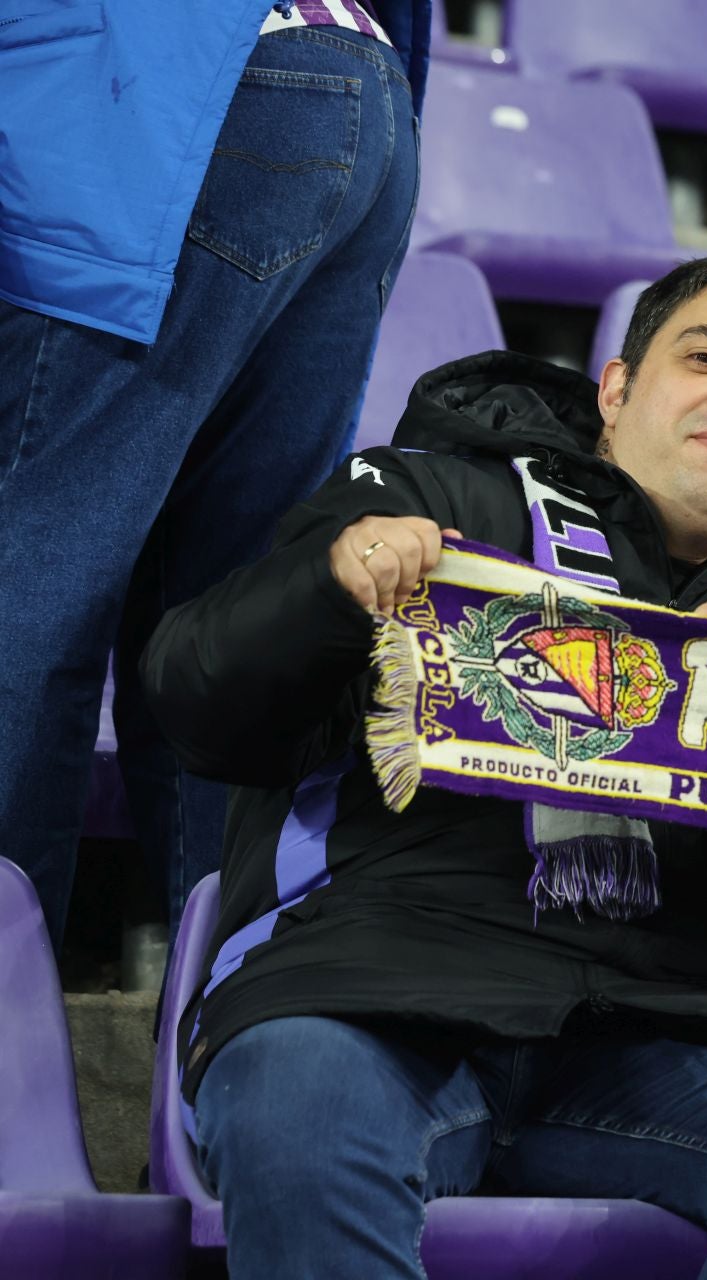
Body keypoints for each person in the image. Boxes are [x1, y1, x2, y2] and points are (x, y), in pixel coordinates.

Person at [140, 255, 707, 1280]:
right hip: (380, 993)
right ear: (615, 389)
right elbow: (199, 707)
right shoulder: (431, 493)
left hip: (653, 1029)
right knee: (300, 1085)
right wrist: (328, 588)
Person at [0, 0, 430, 954]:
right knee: (223, 618)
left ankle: (3, 1011)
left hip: (161, 90)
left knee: (32, 583)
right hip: (365, 88)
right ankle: (231, 1024)